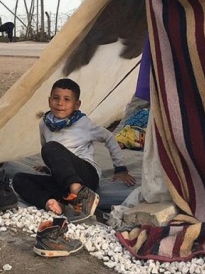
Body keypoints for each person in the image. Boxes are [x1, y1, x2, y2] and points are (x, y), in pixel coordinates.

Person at [12, 78, 136, 223]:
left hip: (85, 175)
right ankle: (53, 204)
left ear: (77, 105)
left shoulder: (83, 123)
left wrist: (120, 168)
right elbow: (48, 149)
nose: (60, 103)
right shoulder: (44, 123)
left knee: (51, 147)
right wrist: (49, 166)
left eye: (67, 99)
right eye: (56, 98)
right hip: (62, 180)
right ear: (49, 100)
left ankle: (82, 195)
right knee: (19, 179)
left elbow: (109, 137)